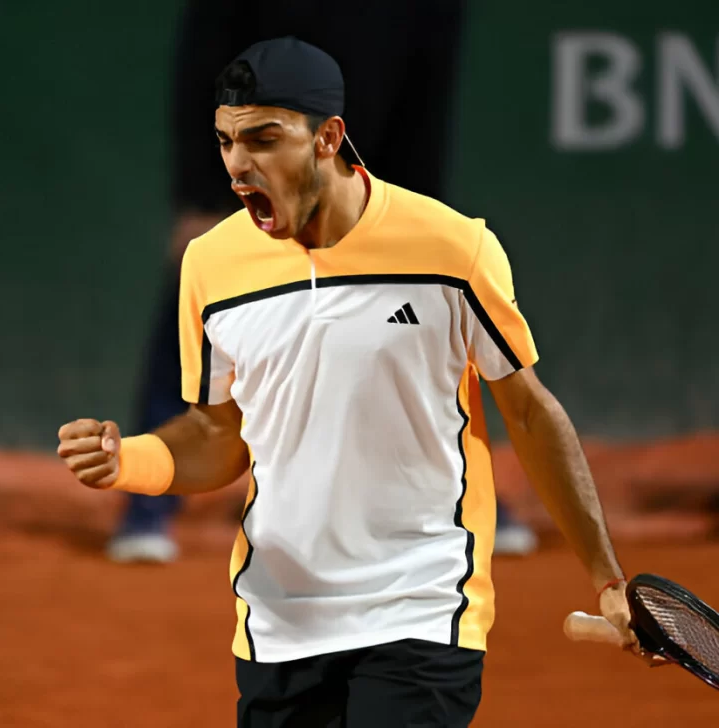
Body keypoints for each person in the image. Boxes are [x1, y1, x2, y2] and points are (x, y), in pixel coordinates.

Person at [58, 38, 645, 725]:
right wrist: (130, 459)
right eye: (225, 142)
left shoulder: (453, 249)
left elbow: (529, 413)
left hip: (420, 604)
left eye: (264, 139)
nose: (239, 164)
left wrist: (607, 576)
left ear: (329, 138)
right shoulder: (210, 265)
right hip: (278, 619)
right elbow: (220, 436)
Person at [107, 0, 538, 563]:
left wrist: (416, 209)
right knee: (201, 315)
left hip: (370, 165)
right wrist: (198, 191)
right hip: (254, 164)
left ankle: (454, 485)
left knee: (417, 329)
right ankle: (147, 505)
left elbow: (428, 83)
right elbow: (206, 58)